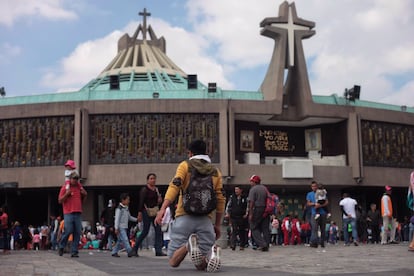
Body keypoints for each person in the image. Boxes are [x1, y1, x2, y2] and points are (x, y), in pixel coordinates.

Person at [154, 139, 225, 272]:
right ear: (206, 152)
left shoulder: (185, 165)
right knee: (201, 265)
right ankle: (211, 254)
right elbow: (220, 198)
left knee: (173, 261)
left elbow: (175, 186)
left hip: (184, 216)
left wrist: (163, 208)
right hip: (206, 219)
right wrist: (217, 225)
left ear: (190, 153)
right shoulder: (215, 171)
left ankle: (188, 245)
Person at [131, 173, 166, 257]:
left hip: (155, 211)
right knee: (145, 231)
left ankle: (158, 250)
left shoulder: (156, 189)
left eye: (154, 178)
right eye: (151, 178)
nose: (153, 180)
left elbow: (157, 202)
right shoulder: (144, 189)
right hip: (146, 211)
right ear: (147, 180)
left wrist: (159, 200)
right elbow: (141, 201)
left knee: (158, 231)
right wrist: (139, 213)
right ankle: (134, 249)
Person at [58, 171, 87, 257]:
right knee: (68, 230)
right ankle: (61, 246)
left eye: (76, 179)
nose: (75, 180)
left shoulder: (79, 187)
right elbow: (60, 200)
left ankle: (74, 251)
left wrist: (85, 195)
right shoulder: (65, 187)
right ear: (70, 179)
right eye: (74, 179)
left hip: (78, 211)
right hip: (68, 212)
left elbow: (83, 201)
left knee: (77, 232)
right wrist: (67, 194)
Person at [248, 174, 270, 252]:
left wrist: (250, 213)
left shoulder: (253, 189)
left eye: (251, 181)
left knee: (253, 227)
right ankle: (267, 244)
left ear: (254, 181)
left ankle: (262, 244)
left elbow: (251, 202)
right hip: (266, 210)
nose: (250, 183)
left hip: (257, 209)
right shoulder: (265, 188)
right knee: (265, 228)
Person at [111, 193, 137, 257]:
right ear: (123, 200)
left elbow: (129, 217)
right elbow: (117, 219)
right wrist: (116, 228)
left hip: (125, 226)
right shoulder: (119, 209)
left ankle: (114, 252)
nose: (129, 201)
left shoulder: (126, 208)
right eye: (127, 200)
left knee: (120, 240)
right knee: (125, 239)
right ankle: (129, 251)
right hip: (120, 227)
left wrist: (136, 220)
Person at [306, 180, 329, 248]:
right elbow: (308, 203)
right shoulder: (309, 194)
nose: (314, 187)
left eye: (315, 186)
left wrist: (320, 205)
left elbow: (326, 202)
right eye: (313, 186)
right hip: (314, 213)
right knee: (314, 228)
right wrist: (314, 204)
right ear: (311, 187)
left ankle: (322, 242)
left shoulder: (321, 192)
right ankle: (314, 242)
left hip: (323, 213)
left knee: (323, 228)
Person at [225, 185, 248, 251]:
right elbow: (228, 206)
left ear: (241, 190)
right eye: (235, 190)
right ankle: (233, 244)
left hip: (241, 216)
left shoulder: (244, 198)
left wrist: (246, 214)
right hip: (233, 216)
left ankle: (242, 245)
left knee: (241, 231)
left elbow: (247, 206)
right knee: (234, 230)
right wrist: (227, 213)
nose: (236, 191)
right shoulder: (232, 197)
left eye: (237, 189)